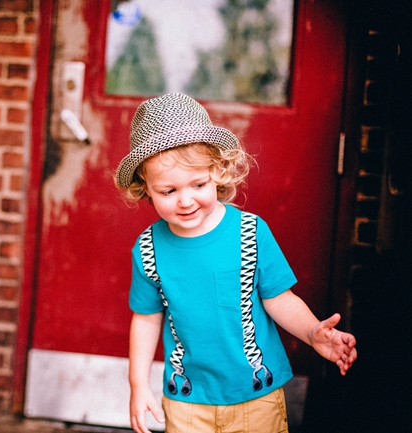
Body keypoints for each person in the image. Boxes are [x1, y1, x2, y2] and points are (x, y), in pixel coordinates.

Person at [114, 93, 357, 433]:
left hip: (256, 397)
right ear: (146, 189)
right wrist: (138, 385)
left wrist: (312, 332)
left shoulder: (249, 233)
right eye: (168, 191)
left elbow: (279, 298)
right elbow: (146, 319)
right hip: (187, 401)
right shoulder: (148, 249)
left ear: (218, 172)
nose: (185, 200)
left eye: (198, 184)